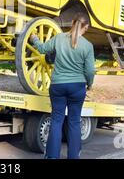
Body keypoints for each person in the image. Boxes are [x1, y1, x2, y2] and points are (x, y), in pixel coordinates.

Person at [29, 12, 95, 159]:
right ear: (87, 27)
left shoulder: (59, 38)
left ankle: (52, 156)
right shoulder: (88, 46)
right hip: (77, 88)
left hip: (58, 86)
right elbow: (90, 70)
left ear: (72, 22)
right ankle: (73, 156)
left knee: (57, 121)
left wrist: (34, 39)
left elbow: (42, 49)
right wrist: (89, 85)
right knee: (74, 122)